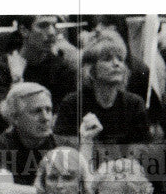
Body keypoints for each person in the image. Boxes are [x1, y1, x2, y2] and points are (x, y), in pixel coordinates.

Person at [55, 30, 150, 162]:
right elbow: (67, 157)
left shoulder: (134, 104)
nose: (116, 63)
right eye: (107, 59)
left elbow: (139, 154)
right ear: (91, 70)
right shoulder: (72, 104)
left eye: (120, 59)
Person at [0, 15, 76, 145]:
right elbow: (8, 115)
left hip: (48, 144)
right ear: (24, 30)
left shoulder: (62, 69)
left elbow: (59, 120)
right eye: (43, 25)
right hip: (8, 146)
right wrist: (16, 79)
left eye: (54, 26)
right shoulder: (1, 67)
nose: (51, 32)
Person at [0, 82, 65, 194]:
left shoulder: (61, 144)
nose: (45, 118)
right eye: (36, 111)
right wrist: (57, 192)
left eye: (48, 110)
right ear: (15, 118)